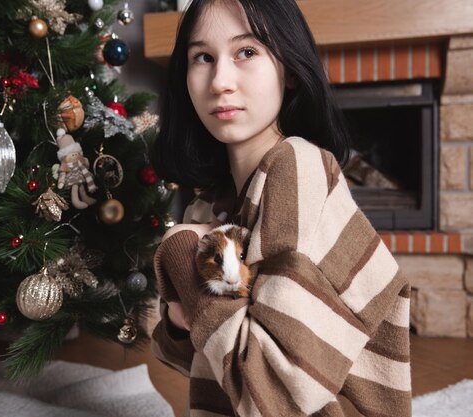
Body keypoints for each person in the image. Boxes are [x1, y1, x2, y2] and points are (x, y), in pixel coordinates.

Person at [150, 0, 412, 416]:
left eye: (247, 52)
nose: (220, 80)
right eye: (202, 57)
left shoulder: (298, 167)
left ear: (289, 69)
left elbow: (271, 396)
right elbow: (191, 356)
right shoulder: (213, 204)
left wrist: (183, 250)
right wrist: (184, 311)